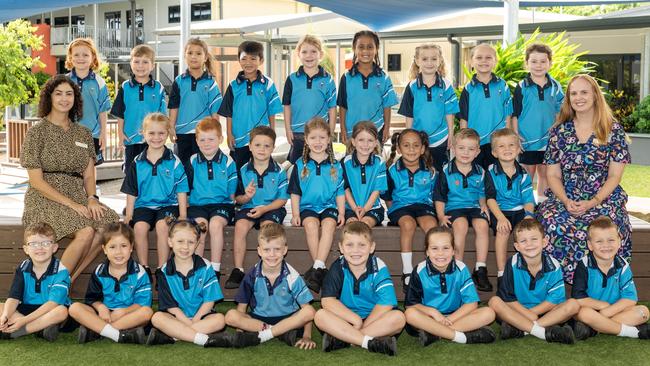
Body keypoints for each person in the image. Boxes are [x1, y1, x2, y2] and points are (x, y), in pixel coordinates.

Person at [21, 75, 119, 282]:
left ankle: (66, 282)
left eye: (69, 94)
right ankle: (56, 285)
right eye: (59, 94)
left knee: (108, 225)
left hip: (78, 194)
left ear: (76, 98)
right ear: (49, 98)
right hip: (45, 197)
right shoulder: (36, 132)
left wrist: (92, 198)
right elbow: (36, 181)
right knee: (85, 231)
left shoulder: (83, 133)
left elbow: (89, 173)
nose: (64, 98)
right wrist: (72, 205)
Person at [536, 74, 632, 283]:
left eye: (584, 92)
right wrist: (565, 201)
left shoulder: (612, 130)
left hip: (603, 197)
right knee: (552, 223)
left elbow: (615, 175)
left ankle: (602, 284)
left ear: (595, 96)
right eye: (573, 93)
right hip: (566, 196)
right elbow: (552, 174)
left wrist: (593, 202)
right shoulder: (559, 131)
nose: (578, 97)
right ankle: (558, 287)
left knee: (607, 226)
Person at [314, 221, 405, 356]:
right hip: (347, 320)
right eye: (349, 245)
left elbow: (386, 304)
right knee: (320, 316)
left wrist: (363, 325)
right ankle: (369, 342)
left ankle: (345, 339)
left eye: (362, 245)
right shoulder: (338, 266)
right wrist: (355, 320)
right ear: (341, 247)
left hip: (374, 320)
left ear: (371, 247)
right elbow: (327, 301)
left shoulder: (378, 267)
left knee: (398, 318)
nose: (355, 250)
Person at [225, 223, 316, 349]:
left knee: (310, 311)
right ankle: (279, 333)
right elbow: (241, 309)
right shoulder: (251, 276)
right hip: (258, 321)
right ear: (259, 251)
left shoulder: (292, 276)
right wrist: (240, 334)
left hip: (289, 320)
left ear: (284, 250)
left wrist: (307, 336)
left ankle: (270, 333)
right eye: (267, 250)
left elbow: (307, 309)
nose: (272, 254)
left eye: (277, 249)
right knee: (230, 316)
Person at [488, 219, 579, 344]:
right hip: (517, 312)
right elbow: (507, 298)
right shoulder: (512, 263)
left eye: (534, 239)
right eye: (523, 241)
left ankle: (522, 329)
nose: (529, 244)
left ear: (544, 242)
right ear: (517, 246)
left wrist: (531, 313)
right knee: (494, 302)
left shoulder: (554, 265)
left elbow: (554, 300)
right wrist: (526, 313)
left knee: (573, 305)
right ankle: (542, 332)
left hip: (545, 314)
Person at [146, 219, 232, 347]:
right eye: (180, 241)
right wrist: (187, 322)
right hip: (177, 319)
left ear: (197, 243)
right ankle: (202, 339)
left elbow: (209, 301)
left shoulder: (206, 267)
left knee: (220, 320)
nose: (185, 247)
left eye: (190, 242)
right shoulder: (164, 271)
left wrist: (194, 321)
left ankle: (174, 336)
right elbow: (171, 307)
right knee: (157, 318)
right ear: (170, 242)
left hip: (202, 317)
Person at [404, 227, 496, 346]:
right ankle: (461, 337)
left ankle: (435, 334)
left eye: (446, 248)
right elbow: (411, 305)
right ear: (427, 251)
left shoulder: (461, 268)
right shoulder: (419, 270)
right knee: (410, 314)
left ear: (453, 250)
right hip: (429, 319)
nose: (440, 253)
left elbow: (471, 304)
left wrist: (449, 320)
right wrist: (434, 312)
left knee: (489, 313)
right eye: (434, 248)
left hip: (457, 317)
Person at [121, 113, 189, 269]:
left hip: (168, 205)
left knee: (162, 226)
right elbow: (131, 191)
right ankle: (144, 267)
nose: (156, 137)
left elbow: (181, 189)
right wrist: (129, 214)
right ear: (143, 134)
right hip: (144, 205)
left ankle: (162, 268)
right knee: (139, 227)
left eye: (161, 133)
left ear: (168, 134)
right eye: (151, 133)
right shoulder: (137, 162)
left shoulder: (174, 161)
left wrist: (183, 214)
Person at [225, 126, 289, 289]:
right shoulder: (242, 170)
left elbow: (282, 200)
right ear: (250, 146)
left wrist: (264, 209)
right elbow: (237, 198)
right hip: (249, 207)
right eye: (258, 145)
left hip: (271, 208)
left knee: (268, 229)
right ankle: (238, 269)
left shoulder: (279, 171)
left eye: (267, 146)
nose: (262, 149)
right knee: (240, 226)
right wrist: (246, 196)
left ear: (273, 148)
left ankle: (268, 268)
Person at [68, 222, 153, 344]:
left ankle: (97, 330)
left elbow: (142, 304)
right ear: (104, 249)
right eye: (112, 247)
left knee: (147, 313)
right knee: (74, 308)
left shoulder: (140, 273)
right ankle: (118, 334)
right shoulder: (99, 271)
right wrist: (102, 308)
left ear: (131, 247)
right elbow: (92, 299)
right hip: (104, 315)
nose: (118, 252)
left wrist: (123, 312)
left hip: (129, 315)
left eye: (123, 246)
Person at [288, 117, 345, 293]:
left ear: (329, 139)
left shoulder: (336, 165)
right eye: (313, 138)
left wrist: (341, 213)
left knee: (329, 224)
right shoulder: (300, 164)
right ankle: (320, 268)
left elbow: (340, 192)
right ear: (306, 139)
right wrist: (296, 214)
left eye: (322, 137)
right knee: (311, 225)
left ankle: (316, 269)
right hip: (308, 207)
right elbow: (295, 192)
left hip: (328, 206)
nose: (318, 142)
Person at [572, 216, 650, 340]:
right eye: (599, 241)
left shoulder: (623, 265)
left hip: (614, 310)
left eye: (611, 240)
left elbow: (630, 299)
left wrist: (606, 313)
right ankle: (631, 331)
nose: (606, 245)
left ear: (619, 242)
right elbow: (579, 298)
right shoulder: (584, 265)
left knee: (643, 312)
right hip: (592, 310)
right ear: (590, 245)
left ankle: (593, 329)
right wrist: (603, 306)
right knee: (582, 312)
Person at [434, 128, 491, 292]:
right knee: (460, 226)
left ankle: (480, 268)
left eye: (471, 149)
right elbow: (440, 195)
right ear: (453, 148)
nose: (466, 152)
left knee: (482, 226)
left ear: (477, 151)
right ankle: (457, 267)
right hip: (454, 207)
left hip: (473, 206)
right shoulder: (446, 170)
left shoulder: (480, 171)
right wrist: (440, 216)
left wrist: (483, 204)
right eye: (461, 148)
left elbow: (481, 192)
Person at [382, 129, 437, 291]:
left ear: (422, 149)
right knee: (408, 224)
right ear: (398, 149)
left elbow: (435, 196)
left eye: (415, 146)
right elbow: (388, 197)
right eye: (406, 145)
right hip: (400, 207)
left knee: (432, 226)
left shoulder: (430, 171)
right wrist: (393, 213)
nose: (411, 149)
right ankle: (407, 272)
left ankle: (433, 267)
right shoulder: (392, 170)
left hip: (423, 206)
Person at [219, 40, 283, 171]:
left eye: (253, 58)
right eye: (244, 59)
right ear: (239, 60)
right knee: (238, 172)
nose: (248, 63)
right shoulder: (233, 85)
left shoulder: (268, 84)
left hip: (261, 138)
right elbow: (228, 113)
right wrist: (229, 134)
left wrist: (272, 134)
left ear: (261, 60)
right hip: (239, 138)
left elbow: (272, 111)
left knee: (261, 170)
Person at [186, 117, 237, 278]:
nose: (206, 143)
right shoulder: (193, 161)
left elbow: (231, 192)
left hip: (221, 204)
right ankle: (197, 267)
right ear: (197, 140)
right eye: (202, 139)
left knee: (215, 225)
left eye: (211, 139)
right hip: (198, 205)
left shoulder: (228, 162)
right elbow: (186, 187)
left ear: (220, 139)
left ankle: (215, 268)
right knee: (201, 227)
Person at [0, 223, 69, 341]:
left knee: (61, 311)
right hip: (27, 309)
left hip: (50, 309)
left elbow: (52, 304)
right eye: (34, 244)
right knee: (3, 307)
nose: (40, 248)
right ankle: (40, 329)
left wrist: (23, 321)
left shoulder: (61, 271)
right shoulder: (23, 267)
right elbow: (14, 298)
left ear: (54, 248)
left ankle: (15, 333)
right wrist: (5, 316)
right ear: (26, 249)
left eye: (46, 243)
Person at [485, 128, 536, 286]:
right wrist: (500, 218)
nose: (507, 149)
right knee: (503, 231)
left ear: (519, 148)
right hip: (499, 211)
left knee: (528, 232)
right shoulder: (491, 172)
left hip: (520, 210)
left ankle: (528, 271)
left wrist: (528, 215)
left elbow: (528, 199)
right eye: (501, 146)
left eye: (511, 145)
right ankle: (501, 274)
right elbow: (490, 199)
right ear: (494, 152)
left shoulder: (524, 174)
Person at [512, 43, 564, 197]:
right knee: (527, 175)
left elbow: (560, 112)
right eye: (534, 61)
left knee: (546, 174)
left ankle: (542, 206)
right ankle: (527, 207)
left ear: (550, 63)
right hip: (527, 140)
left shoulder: (556, 86)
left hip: (549, 140)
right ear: (527, 64)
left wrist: (557, 129)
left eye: (543, 61)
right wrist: (515, 135)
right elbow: (515, 113)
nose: (538, 65)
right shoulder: (522, 86)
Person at [398, 43, 459, 172]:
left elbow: (450, 113)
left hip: (441, 139)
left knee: (440, 172)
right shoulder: (412, 86)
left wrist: (451, 134)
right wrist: (408, 137)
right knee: (420, 172)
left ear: (440, 60)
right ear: (417, 61)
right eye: (425, 59)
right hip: (418, 140)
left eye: (434, 59)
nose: (429, 63)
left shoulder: (446, 86)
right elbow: (409, 115)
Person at [111, 44, 167, 175]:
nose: (140, 65)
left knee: (152, 172)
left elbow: (163, 116)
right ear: (131, 64)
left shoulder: (158, 88)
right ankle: (133, 196)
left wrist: (163, 135)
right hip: (131, 139)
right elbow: (120, 114)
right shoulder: (125, 87)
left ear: (152, 65)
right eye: (136, 61)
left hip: (153, 140)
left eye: (145, 62)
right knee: (132, 173)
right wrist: (120, 134)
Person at [283, 34, 337, 164]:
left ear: (320, 54)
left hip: (321, 134)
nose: (309, 55)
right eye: (304, 52)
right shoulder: (292, 79)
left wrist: (330, 131)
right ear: (299, 54)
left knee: (326, 167)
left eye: (313, 51)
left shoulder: (328, 80)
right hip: (298, 133)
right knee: (296, 168)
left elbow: (332, 108)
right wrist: (288, 129)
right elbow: (287, 106)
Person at [168, 38, 223, 167]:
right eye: (190, 53)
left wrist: (217, 131)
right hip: (182, 133)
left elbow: (215, 111)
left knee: (203, 167)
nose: (194, 56)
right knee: (184, 168)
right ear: (185, 56)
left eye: (198, 53)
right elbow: (174, 106)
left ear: (205, 57)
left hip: (205, 134)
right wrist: (171, 128)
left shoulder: (211, 83)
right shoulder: (179, 81)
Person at [337, 30, 398, 143]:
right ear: (355, 49)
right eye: (361, 47)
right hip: (352, 132)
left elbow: (387, 106)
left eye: (370, 47)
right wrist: (343, 129)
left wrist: (386, 128)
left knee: (375, 160)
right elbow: (342, 106)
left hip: (377, 131)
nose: (365, 51)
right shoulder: (346, 77)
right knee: (352, 160)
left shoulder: (384, 77)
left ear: (376, 49)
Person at [458, 43, 513, 169]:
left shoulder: (502, 86)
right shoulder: (468, 89)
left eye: (488, 58)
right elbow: (463, 118)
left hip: (498, 141)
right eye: (479, 57)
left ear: (495, 62)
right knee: (477, 175)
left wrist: (508, 138)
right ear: (471, 62)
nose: (483, 61)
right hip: (475, 142)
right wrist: (464, 140)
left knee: (497, 175)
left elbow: (508, 115)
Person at [65, 38, 111, 165]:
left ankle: (92, 186)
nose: (81, 58)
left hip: (93, 135)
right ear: (70, 57)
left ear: (93, 58)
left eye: (85, 55)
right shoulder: (63, 81)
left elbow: (103, 110)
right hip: (68, 134)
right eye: (76, 55)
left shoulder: (99, 82)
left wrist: (103, 133)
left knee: (91, 169)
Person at [341, 121, 387, 227]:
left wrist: (365, 209)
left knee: (365, 224)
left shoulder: (380, 162)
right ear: (353, 141)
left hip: (373, 208)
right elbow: (345, 189)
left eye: (370, 140)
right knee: (352, 226)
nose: (365, 144)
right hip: (350, 208)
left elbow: (377, 191)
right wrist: (355, 209)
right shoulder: (345, 162)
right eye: (361, 140)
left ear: (376, 142)